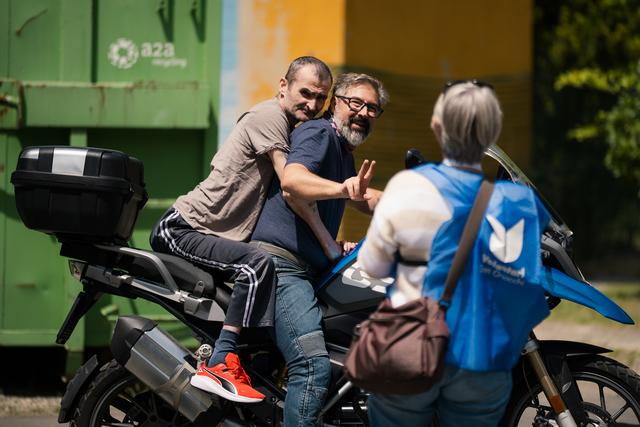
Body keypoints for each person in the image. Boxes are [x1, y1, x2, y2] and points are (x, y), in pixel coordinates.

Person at [357, 81, 550, 426]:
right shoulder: (520, 204)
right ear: (493, 132)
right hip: (485, 359)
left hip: (412, 346)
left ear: (437, 126)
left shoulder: (409, 186)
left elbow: (372, 266)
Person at [149, 56, 336, 403]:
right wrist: (331, 242)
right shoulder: (269, 117)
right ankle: (221, 362)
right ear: (284, 86)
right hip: (185, 227)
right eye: (306, 93)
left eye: (321, 98)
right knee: (255, 264)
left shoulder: (289, 126)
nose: (312, 105)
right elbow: (293, 187)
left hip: (208, 234)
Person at [251, 72, 388, 426]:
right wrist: (344, 190)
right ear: (335, 102)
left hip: (305, 268)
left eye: (372, 108)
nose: (363, 112)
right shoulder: (320, 134)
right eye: (355, 102)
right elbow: (293, 180)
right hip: (282, 265)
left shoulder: (341, 151)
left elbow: (363, 198)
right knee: (312, 365)